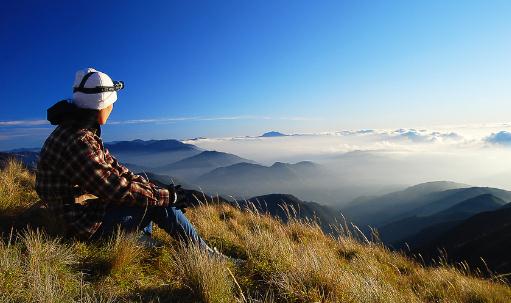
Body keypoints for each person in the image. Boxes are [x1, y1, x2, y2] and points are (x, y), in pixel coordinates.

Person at [35, 68, 212, 251]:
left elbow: (115, 169)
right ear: (101, 105)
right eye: (111, 104)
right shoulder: (80, 141)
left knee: (149, 193)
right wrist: (170, 197)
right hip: (79, 224)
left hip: (70, 213)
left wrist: (157, 190)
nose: (112, 108)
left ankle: (138, 238)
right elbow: (115, 189)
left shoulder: (75, 129)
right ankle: (207, 256)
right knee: (156, 204)